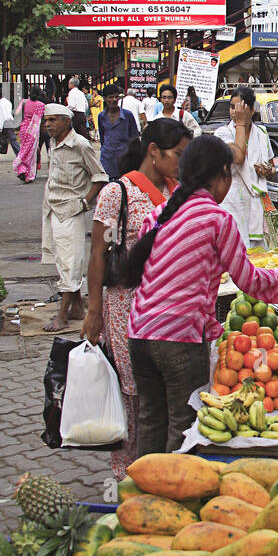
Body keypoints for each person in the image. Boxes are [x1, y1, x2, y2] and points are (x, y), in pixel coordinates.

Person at [124, 136, 278, 455]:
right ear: (222, 175)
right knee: (183, 426)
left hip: (139, 333)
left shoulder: (159, 215)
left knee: (150, 419)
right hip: (179, 337)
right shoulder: (217, 219)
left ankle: (140, 492)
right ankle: (172, 492)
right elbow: (248, 280)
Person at [82, 116, 192, 477]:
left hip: (167, 307)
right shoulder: (118, 193)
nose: (182, 162)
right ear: (153, 151)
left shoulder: (178, 190)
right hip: (125, 306)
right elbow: (98, 252)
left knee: (159, 396)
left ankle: (156, 469)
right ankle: (124, 474)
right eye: (177, 154)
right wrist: (93, 309)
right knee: (133, 396)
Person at [41, 104, 108, 332]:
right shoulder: (54, 142)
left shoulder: (79, 144)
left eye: (53, 120)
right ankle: (77, 307)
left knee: (70, 263)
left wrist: (83, 202)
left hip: (71, 210)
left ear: (66, 122)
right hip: (53, 208)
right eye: (46, 120)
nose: (48, 125)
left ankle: (62, 315)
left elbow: (100, 177)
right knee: (63, 260)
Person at [214, 86, 272, 247]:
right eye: (232, 107)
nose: (235, 112)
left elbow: (271, 166)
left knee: (258, 258)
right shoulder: (222, 133)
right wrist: (240, 123)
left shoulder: (262, 133)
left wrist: (267, 170)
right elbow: (238, 158)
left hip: (257, 204)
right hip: (232, 201)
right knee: (234, 250)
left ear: (252, 110)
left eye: (240, 107)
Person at [98, 83, 141, 181]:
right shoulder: (101, 116)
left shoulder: (127, 115)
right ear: (104, 98)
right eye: (110, 97)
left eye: (116, 97)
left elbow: (134, 137)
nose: (114, 100)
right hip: (107, 158)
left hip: (124, 158)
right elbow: (102, 137)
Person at [12, 87, 46, 181]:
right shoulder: (41, 105)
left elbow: (16, 112)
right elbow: (43, 117)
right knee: (31, 153)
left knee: (24, 150)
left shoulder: (24, 102)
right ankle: (27, 174)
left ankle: (22, 170)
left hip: (23, 129)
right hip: (33, 131)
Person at [0, 90, 19, 161]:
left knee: (1, 139)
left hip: (4, 123)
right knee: (12, 139)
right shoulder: (9, 102)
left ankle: (20, 154)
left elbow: (0, 116)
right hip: (10, 122)